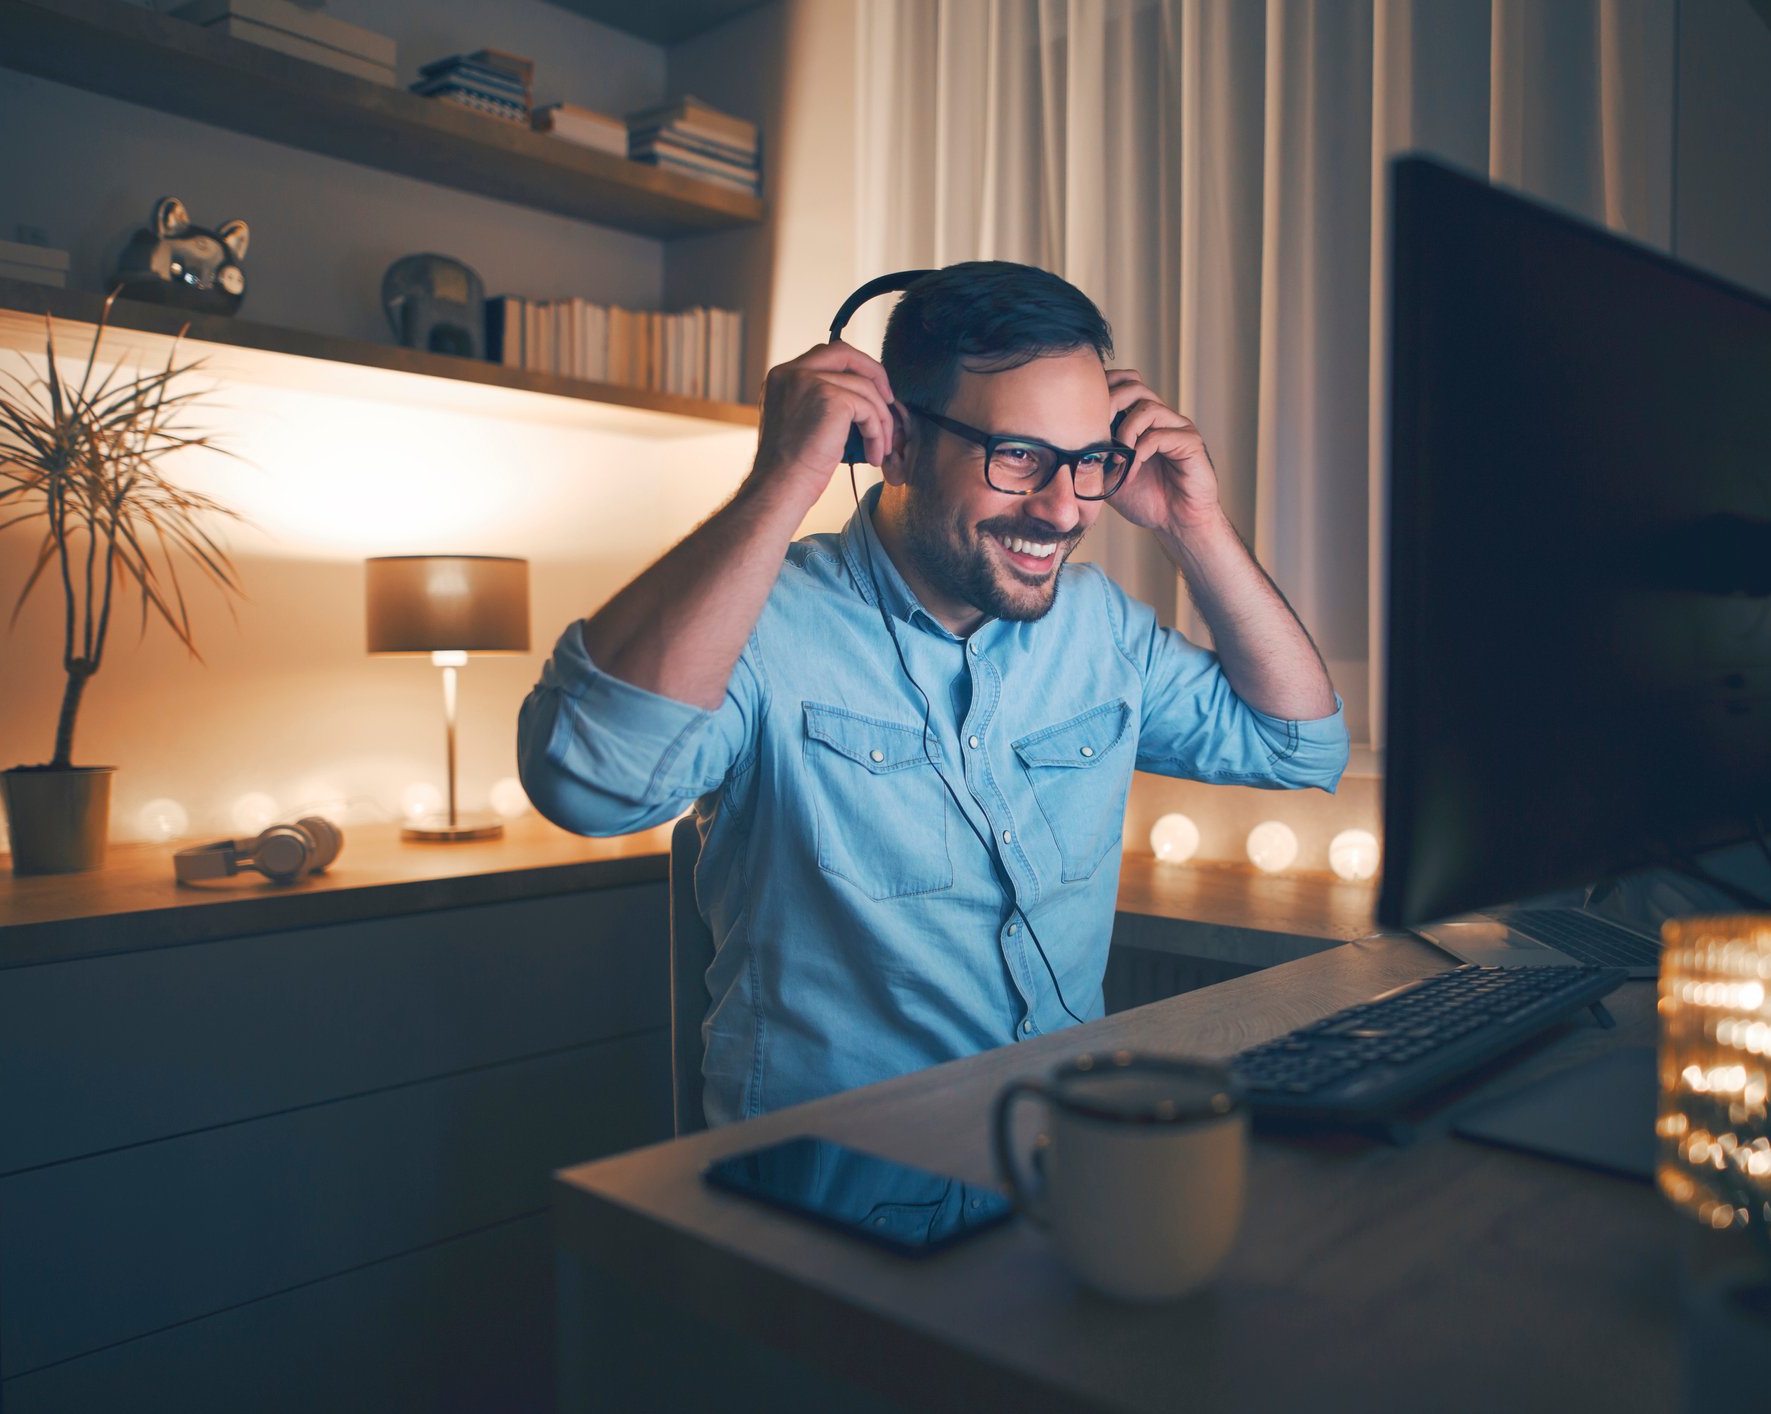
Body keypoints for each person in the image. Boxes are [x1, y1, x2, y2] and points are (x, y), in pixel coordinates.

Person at [519, 261, 1348, 1126]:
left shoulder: (1098, 627)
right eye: (1020, 456)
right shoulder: (761, 625)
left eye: (1089, 461)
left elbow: (1299, 745)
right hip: (838, 1201)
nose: (1064, 510)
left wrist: (1193, 524)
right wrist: (780, 481)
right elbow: (584, 786)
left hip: (1058, 1165)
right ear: (896, 442)